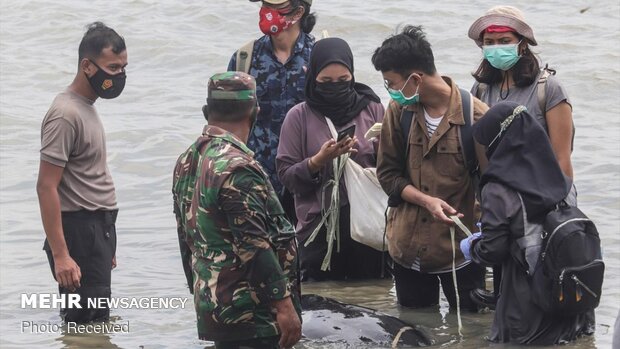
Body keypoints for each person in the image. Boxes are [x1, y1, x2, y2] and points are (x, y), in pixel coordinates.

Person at [172, 72, 301, 349]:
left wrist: (199, 294)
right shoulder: (238, 168)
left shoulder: (187, 161)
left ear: (207, 112)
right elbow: (254, 245)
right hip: (252, 316)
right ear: (255, 111)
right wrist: (284, 305)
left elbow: (186, 239)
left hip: (215, 306)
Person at [371, 25, 488, 310]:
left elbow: (491, 187)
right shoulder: (398, 111)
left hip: (461, 252)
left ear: (415, 78)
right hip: (406, 249)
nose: (391, 91)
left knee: (472, 331)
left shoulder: (477, 116)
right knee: (413, 327)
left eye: (392, 82)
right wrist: (427, 201)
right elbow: (387, 174)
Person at [467, 5, 576, 308]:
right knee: (506, 282)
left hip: (544, 201)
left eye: (504, 40)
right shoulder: (481, 88)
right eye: (489, 42)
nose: (496, 47)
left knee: (544, 282)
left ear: (523, 42)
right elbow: (482, 149)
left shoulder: (548, 89)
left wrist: (550, 212)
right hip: (502, 203)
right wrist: (486, 202)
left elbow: (562, 161)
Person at [460, 101, 594, 345]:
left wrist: (472, 247)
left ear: (498, 143)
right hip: (570, 295)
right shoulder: (562, 179)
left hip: (527, 302)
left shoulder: (498, 189)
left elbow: (493, 250)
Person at [37, 22, 127, 323]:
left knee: (95, 323)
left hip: (95, 232)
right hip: (79, 231)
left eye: (123, 67)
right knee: (85, 324)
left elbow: (88, 177)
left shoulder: (86, 106)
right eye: (112, 67)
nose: (119, 76)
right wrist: (62, 255)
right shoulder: (65, 114)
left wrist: (106, 241)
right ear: (87, 66)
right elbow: (46, 187)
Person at [277, 37, 385, 281]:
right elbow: (286, 176)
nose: (335, 86)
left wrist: (362, 159)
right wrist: (318, 160)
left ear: (352, 76)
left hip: (368, 226)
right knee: (321, 308)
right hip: (318, 232)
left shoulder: (372, 109)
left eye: (343, 81)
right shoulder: (298, 117)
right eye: (326, 81)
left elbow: (389, 164)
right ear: (313, 76)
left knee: (373, 299)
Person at [228, 0, 317, 226]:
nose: (267, 12)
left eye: (276, 7)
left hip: (307, 180)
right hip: (255, 181)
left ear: (298, 12)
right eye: (265, 5)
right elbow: (226, 124)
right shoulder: (245, 58)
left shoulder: (319, 58)